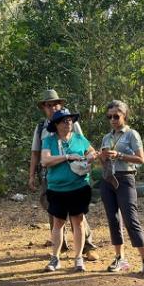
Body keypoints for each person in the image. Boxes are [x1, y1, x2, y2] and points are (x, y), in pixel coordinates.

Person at [29, 89, 97, 260]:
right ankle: (60, 248)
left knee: (78, 214)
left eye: (55, 104)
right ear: (44, 107)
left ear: (61, 105)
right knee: (54, 212)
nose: (53, 107)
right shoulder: (41, 128)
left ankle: (86, 246)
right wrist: (31, 175)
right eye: (49, 105)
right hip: (50, 175)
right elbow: (36, 153)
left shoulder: (71, 124)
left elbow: (83, 146)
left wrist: (86, 161)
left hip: (75, 175)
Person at [98, 100, 144, 278]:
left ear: (124, 116)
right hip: (108, 179)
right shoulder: (107, 137)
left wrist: (120, 155)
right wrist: (102, 156)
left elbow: (141, 159)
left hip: (125, 179)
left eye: (116, 116)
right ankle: (119, 258)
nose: (113, 120)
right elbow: (103, 161)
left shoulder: (131, 134)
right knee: (113, 219)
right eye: (110, 116)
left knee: (131, 219)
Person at [41, 108, 98, 272]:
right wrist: (67, 157)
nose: (69, 123)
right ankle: (55, 258)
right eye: (65, 120)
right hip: (57, 188)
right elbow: (45, 160)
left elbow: (91, 152)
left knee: (78, 222)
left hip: (79, 187)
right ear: (57, 124)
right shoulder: (49, 141)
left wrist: (91, 157)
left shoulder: (79, 138)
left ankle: (79, 258)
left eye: (71, 120)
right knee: (58, 223)